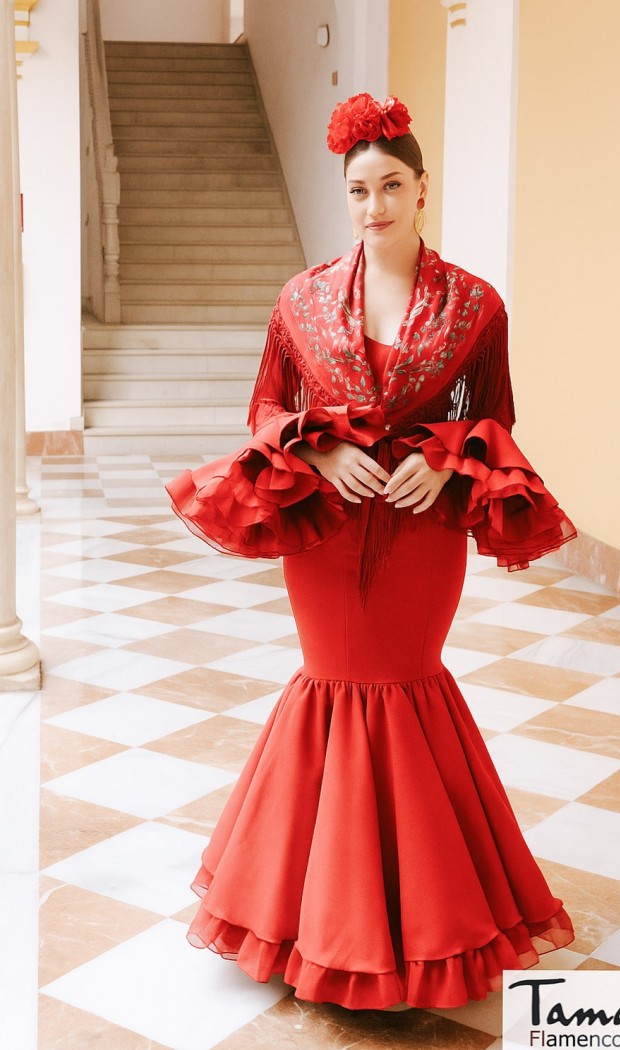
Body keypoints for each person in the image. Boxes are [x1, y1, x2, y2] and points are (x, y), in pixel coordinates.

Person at [165, 93, 578, 1012]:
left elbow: (491, 418)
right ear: (344, 195)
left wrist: (442, 461)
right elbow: (265, 411)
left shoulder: (476, 304)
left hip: (424, 530)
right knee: (330, 679)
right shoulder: (302, 298)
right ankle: (316, 919)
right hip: (325, 526)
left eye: (391, 186)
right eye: (358, 189)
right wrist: (319, 446)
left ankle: (422, 917)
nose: (374, 205)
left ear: (422, 189)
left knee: (407, 678)